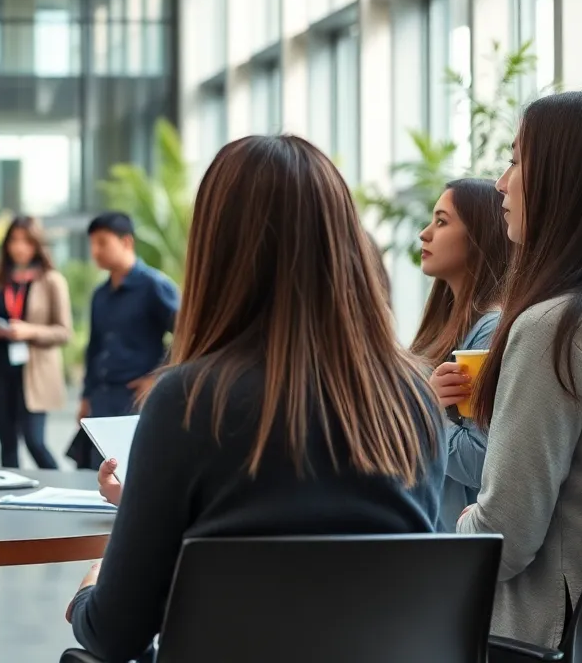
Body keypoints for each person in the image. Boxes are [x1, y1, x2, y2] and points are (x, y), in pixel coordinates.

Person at [68, 136, 444, 663]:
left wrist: (90, 590)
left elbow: (116, 632)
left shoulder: (189, 403)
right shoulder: (411, 399)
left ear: (214, 249)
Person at [458, 89, 582, 648]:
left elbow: (502, 539)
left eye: (515, 160)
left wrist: (464, 520)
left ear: (565, 179)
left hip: (543, 636)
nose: (500, 184)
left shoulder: (555, 328)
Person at [410, 178, 511, 530]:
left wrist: (427, 413)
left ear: (478, 235)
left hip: (456, 540)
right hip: (429, 531)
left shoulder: (490, 330)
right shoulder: (442, 328)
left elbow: (479, 460)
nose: (425, 234)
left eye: (441, 221)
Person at [0, 216, 73, 470]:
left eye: (26, 241)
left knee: (34, 441)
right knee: (7, 444)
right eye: (14, 241)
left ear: (37, 244)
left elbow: (64, 331)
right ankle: (10, 497)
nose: (19, 247)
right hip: (0, 369)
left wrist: (29, 331)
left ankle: (61, 491)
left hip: (35, 373)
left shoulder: (51, 281)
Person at [80, 212, 179, 427]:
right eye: (92, 244)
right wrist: (86, 396)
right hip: (102, 398)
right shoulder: (100, 294)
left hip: (137, 397)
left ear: (126, 242)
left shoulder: (154, 286)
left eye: (102, 243)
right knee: (99, 460)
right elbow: (94, 347)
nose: (95, 251)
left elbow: (187, 333)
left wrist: (157, 379)